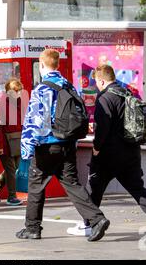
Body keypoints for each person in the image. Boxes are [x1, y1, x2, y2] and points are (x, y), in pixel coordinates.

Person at [16, 49, 110, 241]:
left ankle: (32, 228)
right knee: (72, 184)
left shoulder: (42, 89)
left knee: (36, 186)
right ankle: (96, 218)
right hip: (67, 144)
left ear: (42, 65)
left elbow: (34, 121)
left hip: (47, 146)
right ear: (57, 65)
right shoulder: (69, 86)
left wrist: (26, 149)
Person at [67, 64, 146, 237]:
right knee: (137, 188)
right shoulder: (127, 93)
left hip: (109, 154)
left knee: (93, 187)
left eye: (97, 82)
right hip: (131, 151)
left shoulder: (105, 98)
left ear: (101, 80)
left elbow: (103, 128)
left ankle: (88, 224)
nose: (97, 85)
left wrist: (96, 148)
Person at [0, 78, 24, 206]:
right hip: (5, 142)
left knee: (16, 167)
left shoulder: (20, 104)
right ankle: (12, 196)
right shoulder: (0, 105)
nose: (18, 94)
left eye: (19, 91)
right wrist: (0, 146)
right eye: (16, 92)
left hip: (18, 140)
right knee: (11, 169)